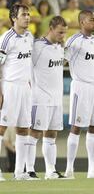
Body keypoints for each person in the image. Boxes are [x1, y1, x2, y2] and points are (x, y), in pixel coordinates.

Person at [64, 10, 94, 179]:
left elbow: (93, 60)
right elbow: (62, 58)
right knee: (76, 127)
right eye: (91, 20)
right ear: (82, 22)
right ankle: (69, 170)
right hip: (81, 87)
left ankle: (92, 169)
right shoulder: (74, 41)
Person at [25, 16, 68, 180]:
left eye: (64, 33)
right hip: (39, 98)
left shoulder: (60, 47)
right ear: (50, 28)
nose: (62, 36)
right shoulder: (36, 46)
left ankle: (51, 170)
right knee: (34, 133)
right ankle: (29, 169)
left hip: (56, 99)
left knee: (51, 136)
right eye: (59, 32)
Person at [0, 4, 34, 180]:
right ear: (14, 18)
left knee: (23, 128)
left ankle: (19, 172)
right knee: (2, 127)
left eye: (28, 14)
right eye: (23, 14)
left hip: (25, 88)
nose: (27, 17)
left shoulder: (29, 36)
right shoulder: (6, 38)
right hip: (10, 86)